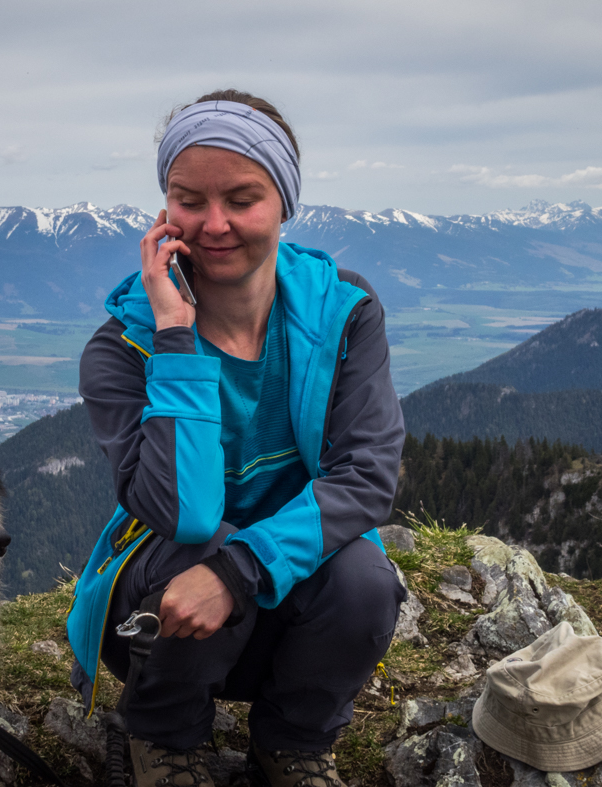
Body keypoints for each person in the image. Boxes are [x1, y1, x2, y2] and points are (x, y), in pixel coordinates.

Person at [66, 89, 406, 787]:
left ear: (284, 201)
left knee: (365, 578)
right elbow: (184, 513)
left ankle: (292, 744)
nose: (213, 224)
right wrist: (175, 340)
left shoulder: (344, 311)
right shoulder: (121, 348)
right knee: (205, 538)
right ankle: (161, 734)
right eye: (189, 199)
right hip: (160, 607)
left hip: (280, 602)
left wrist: (238, 571)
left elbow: (367, 477)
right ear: (164, 207)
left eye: (242, 198)